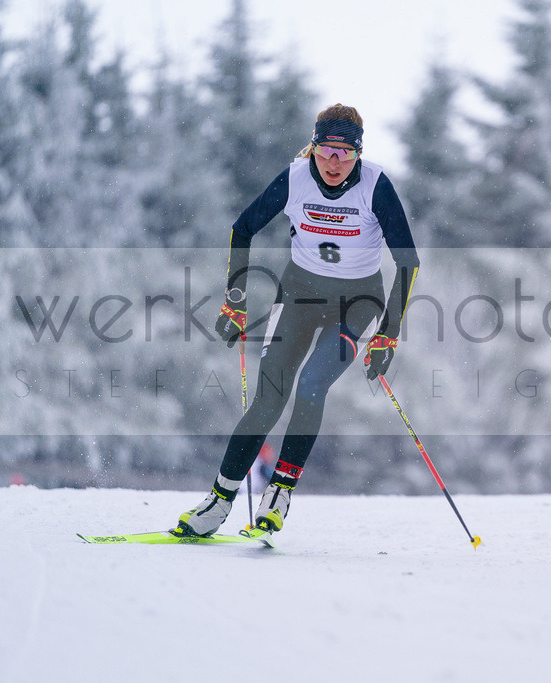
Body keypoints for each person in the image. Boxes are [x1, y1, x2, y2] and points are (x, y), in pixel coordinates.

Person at [176, 104, 419, 536]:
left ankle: (279, 494)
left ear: (358, 154)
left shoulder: (376, 186)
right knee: (269, 397)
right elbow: (242, 228)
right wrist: (235, 300)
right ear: (314, 147)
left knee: (311, 384)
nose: (333, 163)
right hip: (299, 296)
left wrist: (389, 333)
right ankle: (217, 501)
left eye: (345, 153)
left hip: (358, 303)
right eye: (326, 150)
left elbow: (408, 261)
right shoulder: (296, 177)